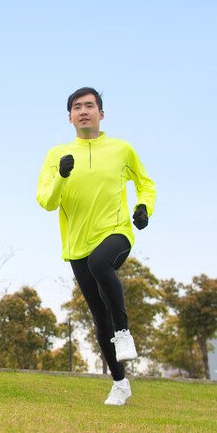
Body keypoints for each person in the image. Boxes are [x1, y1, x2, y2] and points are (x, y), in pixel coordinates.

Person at [37, 86, 156, 406]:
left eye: (90, 105)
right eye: (77, 107)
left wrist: (144, 207)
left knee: (101, 263)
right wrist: (61, 175)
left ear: (101, 114)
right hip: (77, 243)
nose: (84, 111)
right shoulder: (56, 155)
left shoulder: (121, 149)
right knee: (98, 317)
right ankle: (120, 383)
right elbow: (46, 202)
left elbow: (145, 183)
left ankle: (125, 331)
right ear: (70, 117)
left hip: (116, 231)